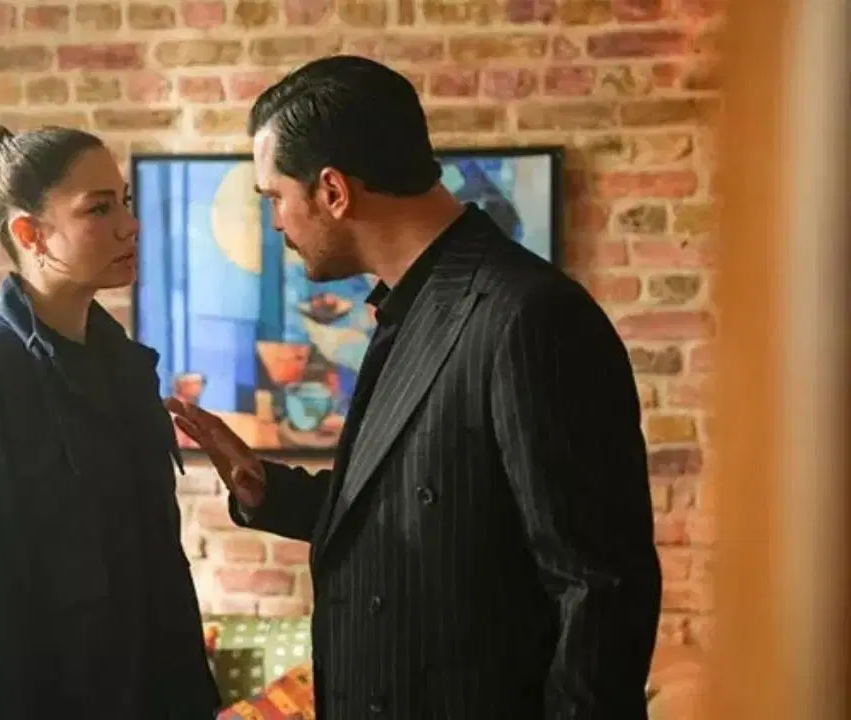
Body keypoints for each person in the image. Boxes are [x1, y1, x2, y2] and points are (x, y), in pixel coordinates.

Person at [167, 56, 662, 719]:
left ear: (334, 191)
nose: (276, 222)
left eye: (274, 197)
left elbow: (601, 587)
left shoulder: (530, 317)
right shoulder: (413, 303)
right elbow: (429, 516)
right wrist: (266, 489)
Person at [0, 124, 220, 720]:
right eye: (99, 208)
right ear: (29, 233)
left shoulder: (125, 369)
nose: (130, 225)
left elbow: (156, 578)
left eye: (125, 203)